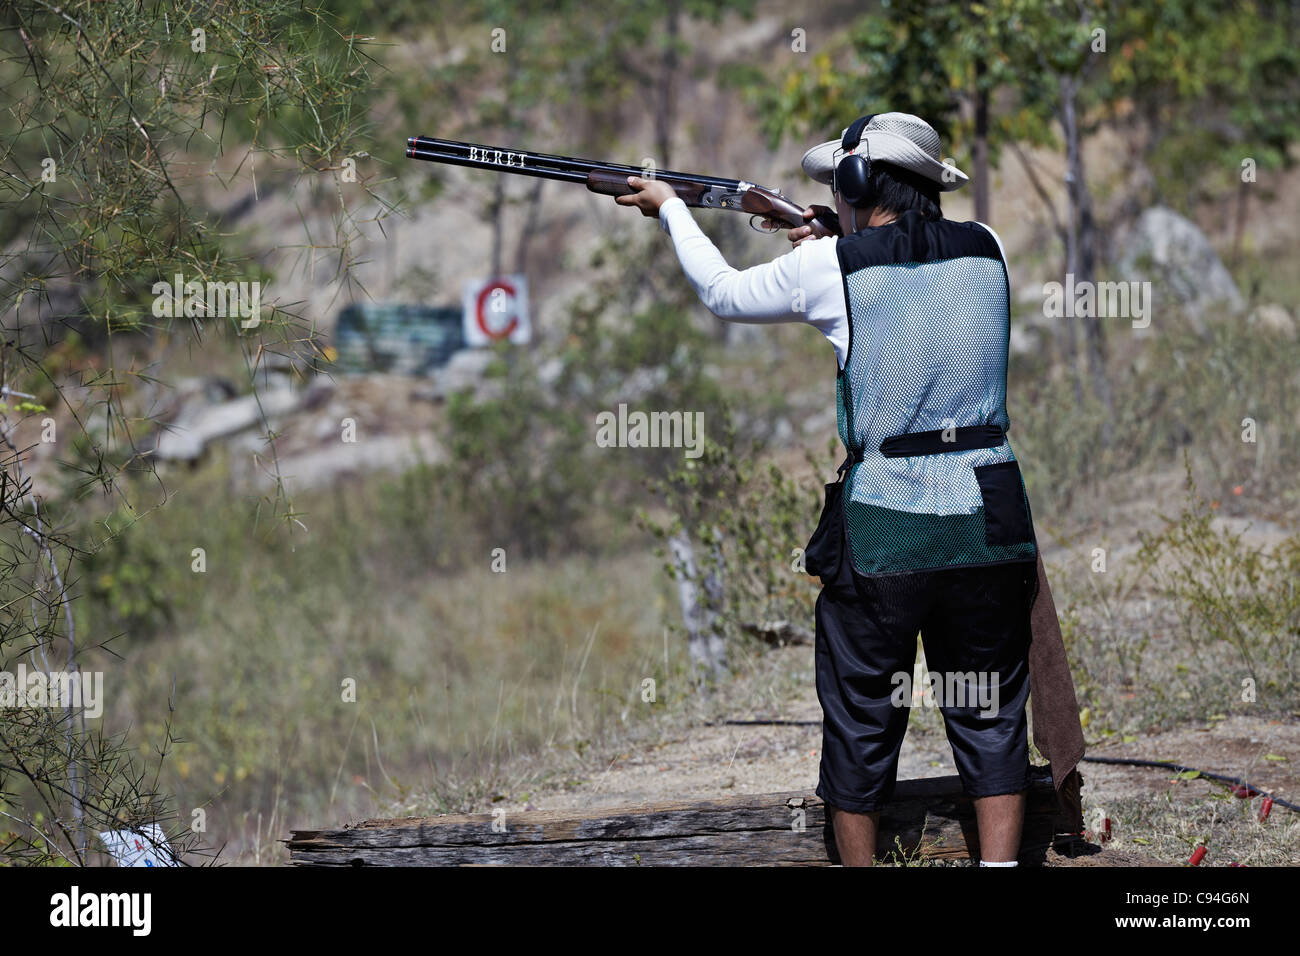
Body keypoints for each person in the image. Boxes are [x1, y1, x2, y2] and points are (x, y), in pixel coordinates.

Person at [616, 112, 1044, 867]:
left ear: (854, 183)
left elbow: (722, 292)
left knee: (861, 722)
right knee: (990, 713)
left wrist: (671, 208)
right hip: (990, 516)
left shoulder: (831, 269)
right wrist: (837, 240)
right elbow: (913, 278)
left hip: (889, 525)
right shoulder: (991, 249)